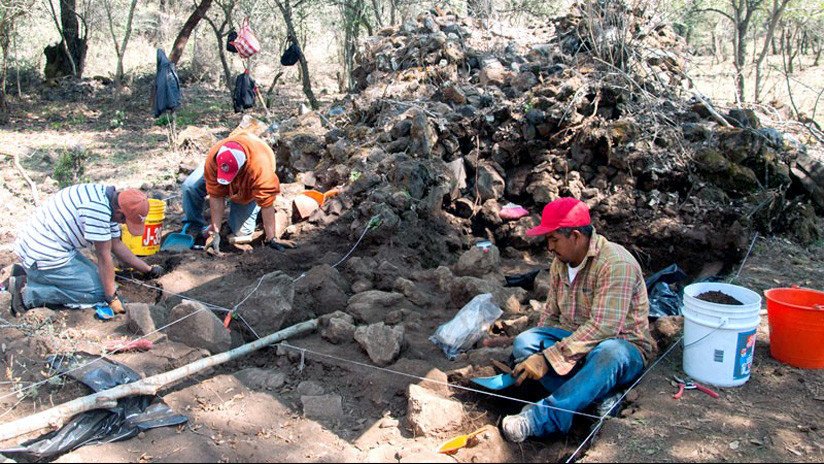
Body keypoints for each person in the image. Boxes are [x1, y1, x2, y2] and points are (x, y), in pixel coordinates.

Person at [500, 197, 656, 443]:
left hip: (621, 346)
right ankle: (595, 396)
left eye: (553, 239)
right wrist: (538, 355)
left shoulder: (616, 264)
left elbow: (604, 328)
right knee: (525, 343)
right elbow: (550, 315)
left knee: (608, 353)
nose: (549, 247)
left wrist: (548, 359)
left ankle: (542, 418)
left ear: (575, 236)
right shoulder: (560, 264)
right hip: (575, 341)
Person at [9, 185, 164, 316]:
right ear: (119, 213)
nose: (123, 224)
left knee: (102, 279)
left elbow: (116, 245)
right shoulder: (98, 210)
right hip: (42, 254)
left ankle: (31, 277)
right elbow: (104, 256)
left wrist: (148, 270)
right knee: (98, 294)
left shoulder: (110, 199)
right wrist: (111, 298)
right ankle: (27, 294)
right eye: (125, 221)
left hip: (50, 247)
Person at [181, 131, 289, 252]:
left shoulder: (260, 168)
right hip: (226, 162)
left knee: (240, 232)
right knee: (190, 187)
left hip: (252, 174)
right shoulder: (215, 157)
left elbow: (266, 203)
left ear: (242, 166)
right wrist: (215, 233)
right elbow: (216, 195)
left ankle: (254, 214)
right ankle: (193, 226)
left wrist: (271, 238)